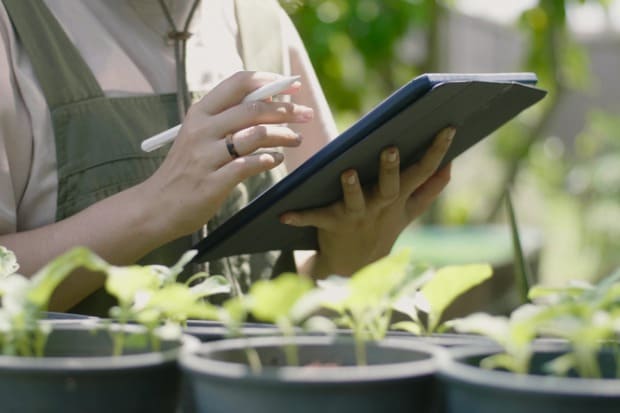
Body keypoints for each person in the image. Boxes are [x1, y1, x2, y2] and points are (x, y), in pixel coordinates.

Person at [0, 0, 454, 314]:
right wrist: (154, 209)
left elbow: (311, 291)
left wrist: (350, 253)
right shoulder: (13, 26)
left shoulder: (261, 25)